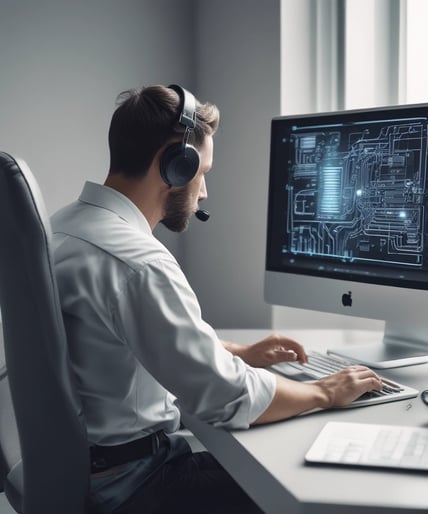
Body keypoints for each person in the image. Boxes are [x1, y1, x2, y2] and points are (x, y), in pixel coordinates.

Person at [51, 84, 383, 514]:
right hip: (135, 487)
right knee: (319, 492)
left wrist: (236, 351)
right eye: (202, 171)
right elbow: (226, 398)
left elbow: (123, 334)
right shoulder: (138, 263)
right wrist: (324, 391)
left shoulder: (64, 227)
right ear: (174, 164)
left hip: (89, 472)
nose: (203, 191)